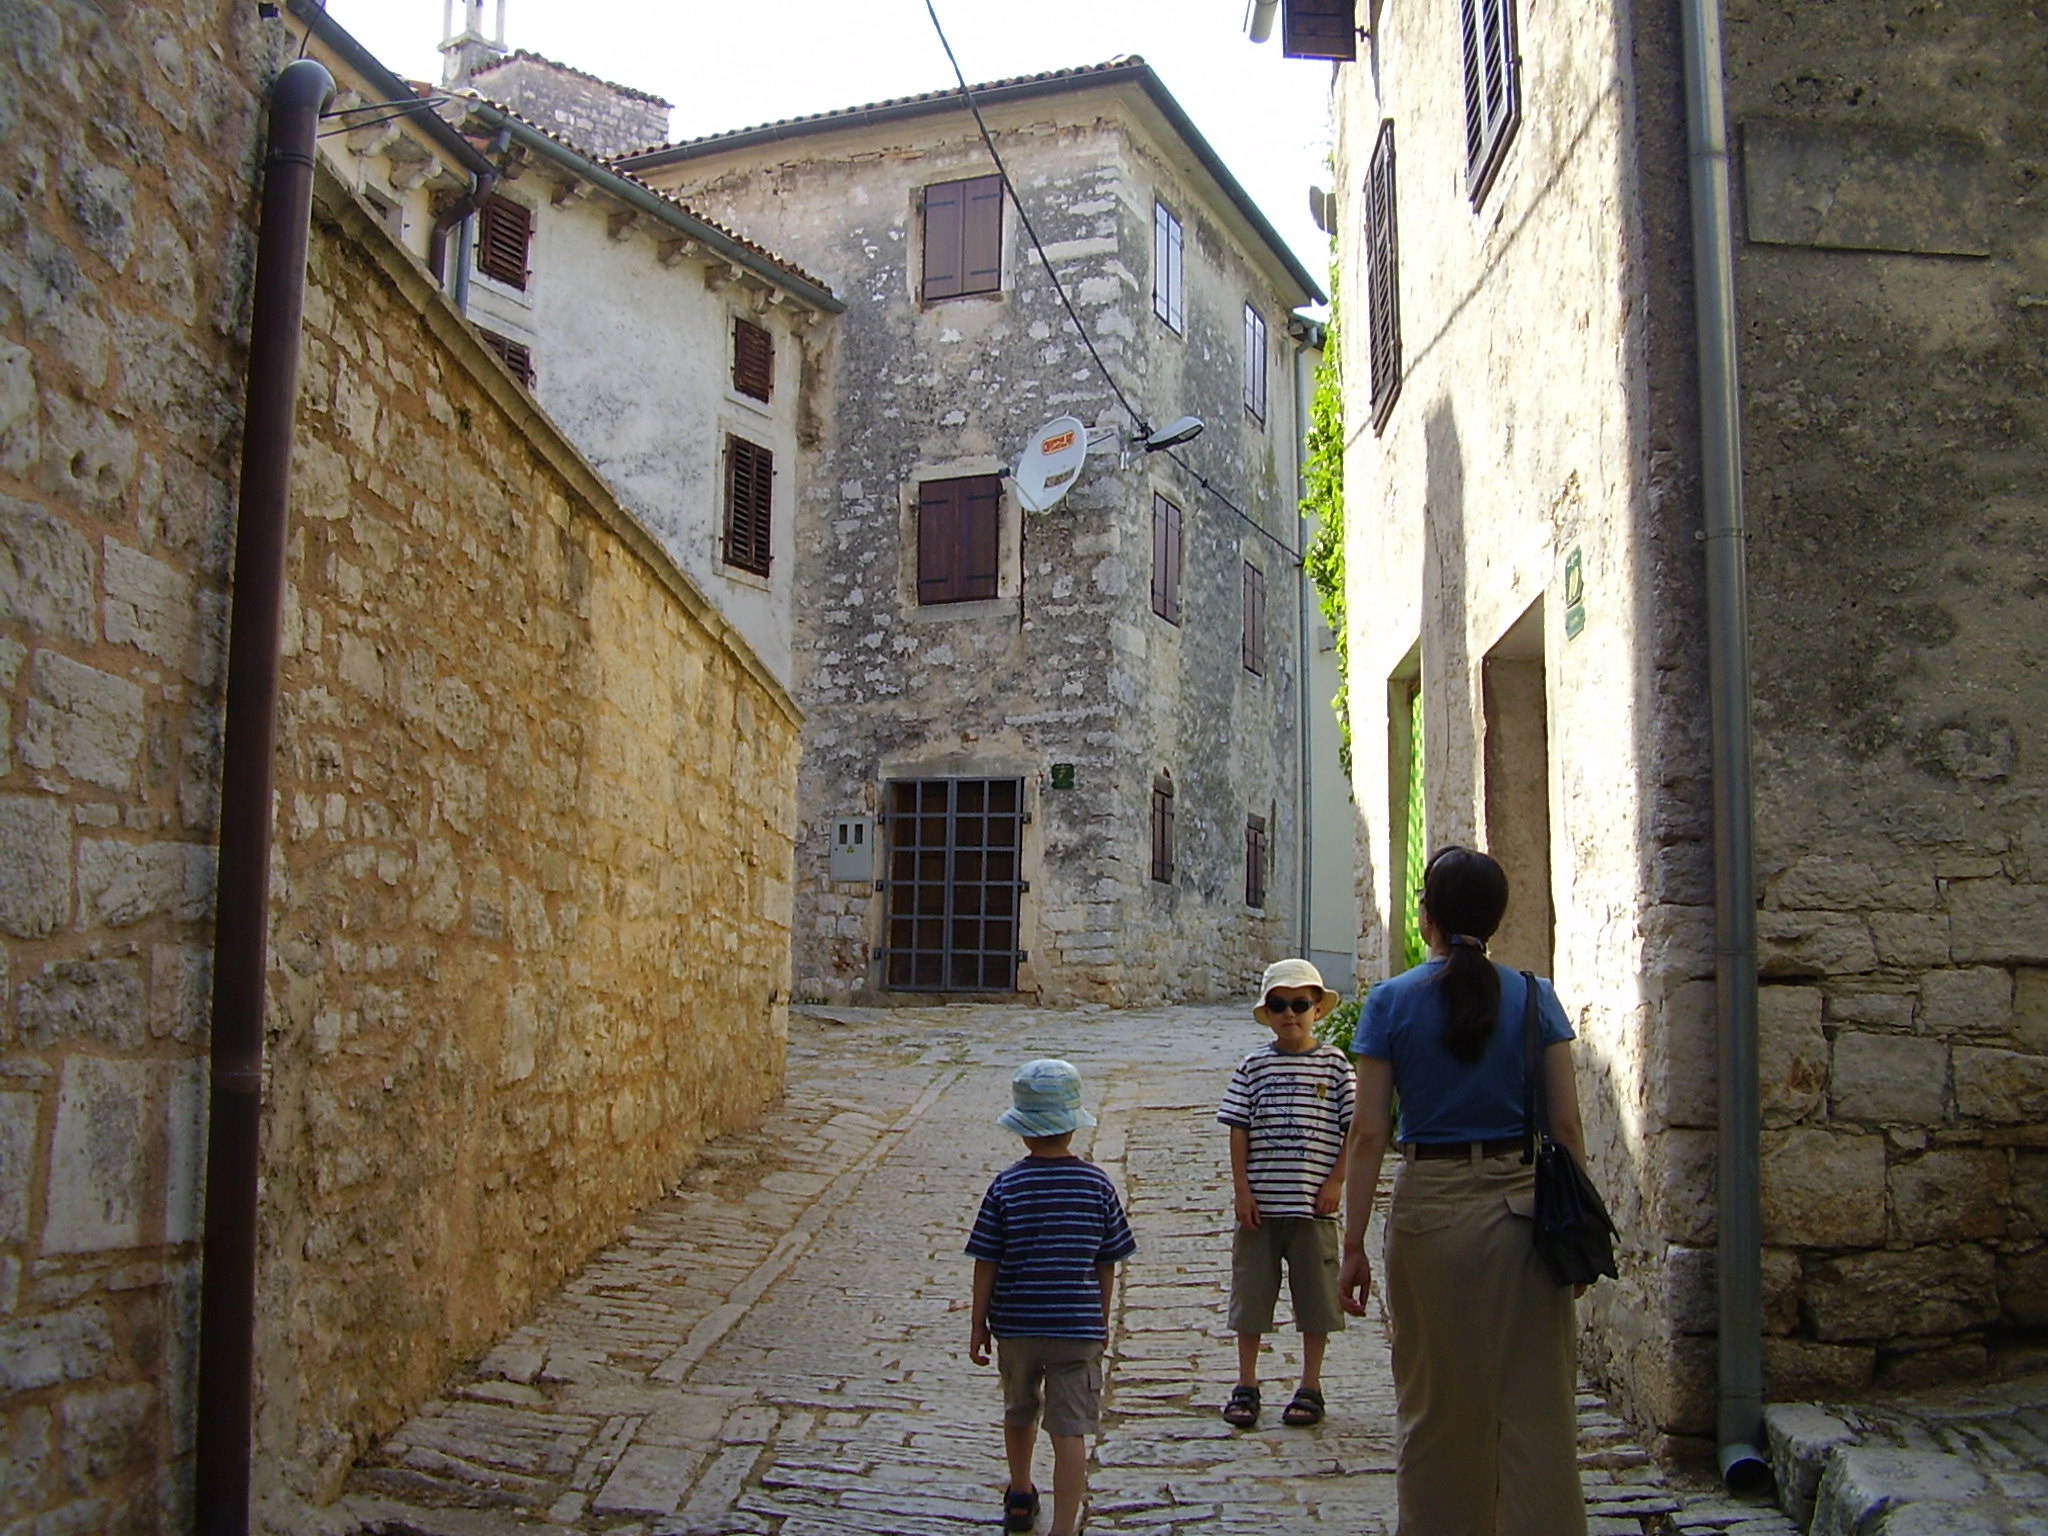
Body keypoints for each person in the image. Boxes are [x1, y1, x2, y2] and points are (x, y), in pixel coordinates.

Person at [1338, 846, 1591, 1536]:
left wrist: (1352, 1244)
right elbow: (1566, 1125)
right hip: (1525, 1216)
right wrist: (1577, 1233)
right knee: (1538, 1405)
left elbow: (1368, 1133)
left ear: (1428, 917)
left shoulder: (1391, 1002)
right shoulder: (1536, 999)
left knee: (1435, 1404)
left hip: (1430, 1213)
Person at [968, 1059, 1137, 1536]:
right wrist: (1100, 1319)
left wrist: (979, 1323)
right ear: (1072, 1124)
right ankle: (1064, 1526)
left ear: (1023, 1130)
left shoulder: (1006, 1187)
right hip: (1076, 1328)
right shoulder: (1097, 1185)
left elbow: (986, 1260)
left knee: (1019, 1410)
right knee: (1070, 1430)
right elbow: (1108, 1261)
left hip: (1017, 1325)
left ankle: (1021, 1491)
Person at [1217, 958, 1355, 1430]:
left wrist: (1336, 1181)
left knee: (1316, 1295)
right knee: (1251, 1295)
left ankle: (1310, 1383)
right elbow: (1238, 1126)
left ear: (1317, 1009)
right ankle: (1246, 1382)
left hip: (1313, 1206)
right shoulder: (1254, 1066)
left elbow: (1354, 1128)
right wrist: (1242, 1188)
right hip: (1262, 1204)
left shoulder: (1334, 1066)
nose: (1290, 1014)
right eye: (1279, 1005)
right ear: (1268, 1011)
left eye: (1300, 1004)